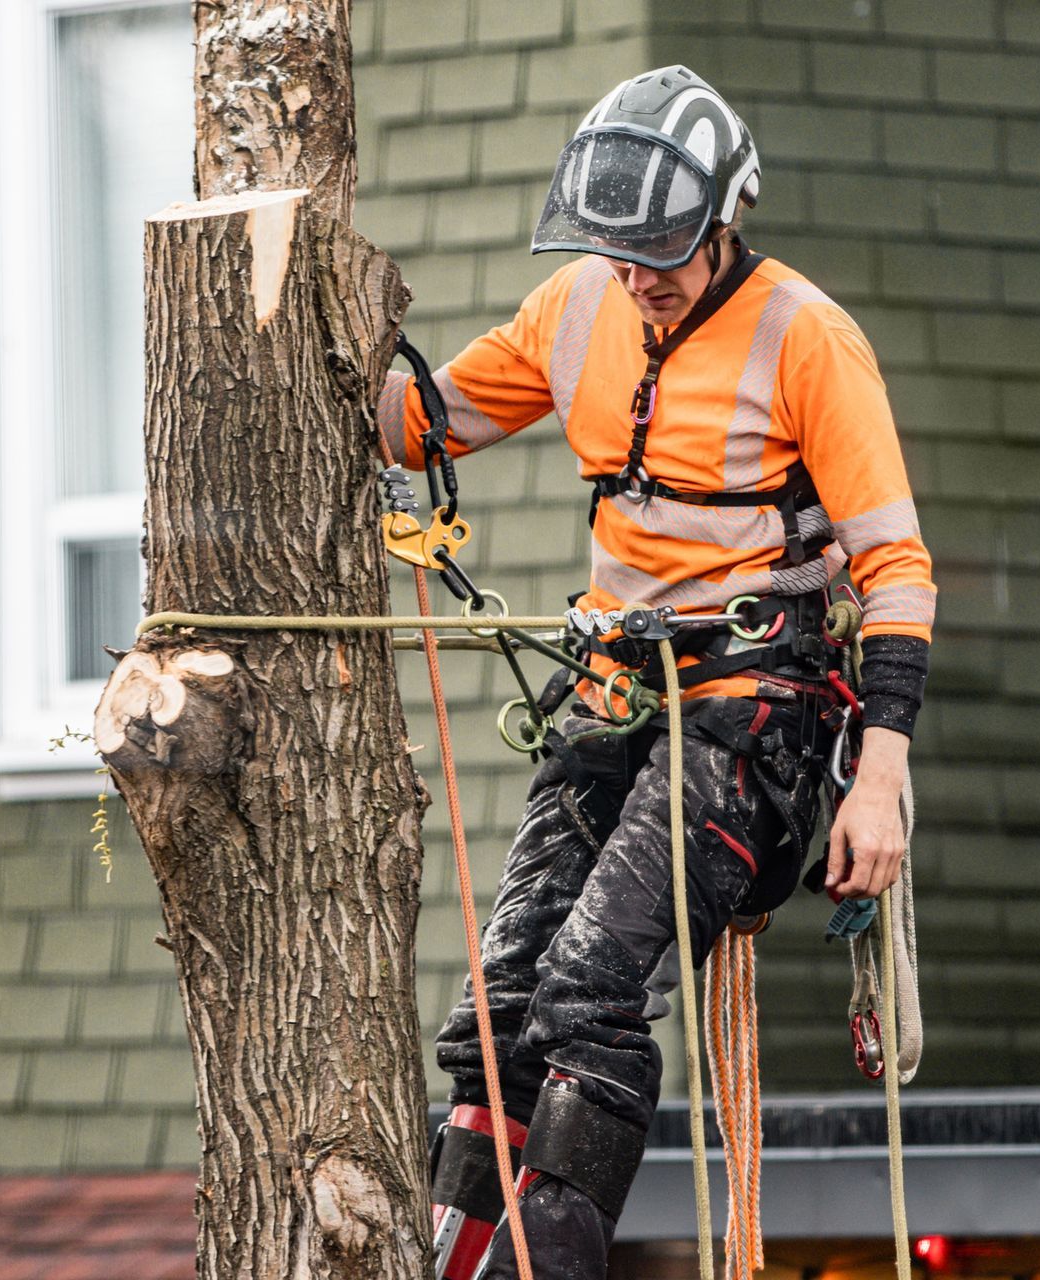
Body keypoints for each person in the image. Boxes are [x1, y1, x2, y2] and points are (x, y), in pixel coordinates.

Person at [379, 67, 936, 1279]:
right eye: (619, 253)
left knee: (586, 988)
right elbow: (421, 422)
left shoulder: (806, 338)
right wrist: (319, 347)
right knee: (497, 1017)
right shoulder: (576, 308)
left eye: (663, 255)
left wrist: (880, 771)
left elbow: (896, 566)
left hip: (755, 719)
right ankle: (448, 1254)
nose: (638, 277)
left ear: (725, 221)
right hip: (616, 693)